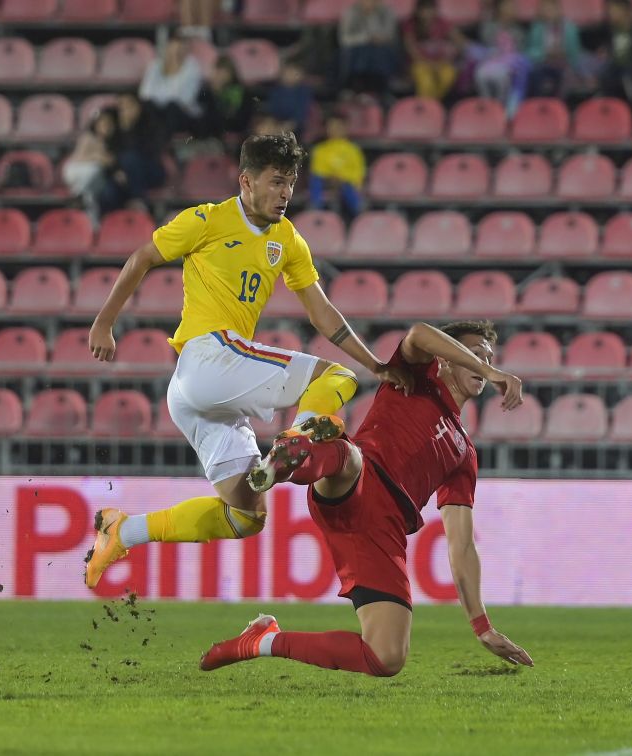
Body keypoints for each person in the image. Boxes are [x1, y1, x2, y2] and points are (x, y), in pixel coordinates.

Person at [83, 133, 413, 591]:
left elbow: (321, 312)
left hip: (197, 393)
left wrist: (376, 363)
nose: (285, 194)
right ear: (246, 181)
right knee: (335, 377)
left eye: (291, 183)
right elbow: (142, 257)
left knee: (246, 516)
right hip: (208, 356)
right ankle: (296, 440)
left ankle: (123, 531)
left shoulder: (287, 239)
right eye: (277, 182)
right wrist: (104, 324)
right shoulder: (207, 219)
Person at [199, 320, 534, 677]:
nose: (482, 361)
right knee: (350, 458)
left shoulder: (464, 453)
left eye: (487, 355)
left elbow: (462, 545)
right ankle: (296, 454)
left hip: (380, 531)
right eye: (472, 353)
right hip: (358, 479)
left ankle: (261, 640)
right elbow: (419, 333)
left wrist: (482, 626)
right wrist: (491, 368)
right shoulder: (416, 377)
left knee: (386, 657)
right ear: (447, 359)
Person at [97, 93, 166, 213]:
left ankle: (138, 200)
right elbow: (110, 156)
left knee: (130, 158)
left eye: (129, 106)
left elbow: (147, 152)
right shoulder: (115, 129)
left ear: (138, 107)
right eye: (122, 108)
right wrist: (117, 171)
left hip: (149, 171)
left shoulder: (149, 124)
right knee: (108, 193)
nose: (125, 111)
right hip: (124, 175)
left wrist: (129, 129)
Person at [525, 0, 597, 97]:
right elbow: (530, 52)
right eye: (545, 8)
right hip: (543, 64)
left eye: (551, 8)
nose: (549, 11)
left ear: (559, 9)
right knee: (536, 75)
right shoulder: (537, 28)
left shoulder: (570, 27)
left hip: (565, 64)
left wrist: (564, 54)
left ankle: (561, 107)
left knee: (568, 77)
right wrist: (545, 53)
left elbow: (575, 52)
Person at [470, 0, 530, 116]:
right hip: (492, 61)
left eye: (513, 7)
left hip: (510, 64)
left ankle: (502, 106)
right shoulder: (489, 27)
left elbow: (520, 51)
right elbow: (486, 44)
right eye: (507, 7)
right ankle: (487, 104)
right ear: (499, 10)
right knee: (480, 74)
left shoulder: (519, 31)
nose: (511, 10)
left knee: (504, 77)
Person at [139, 36, 203, 137]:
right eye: (174, 49)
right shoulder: (155, 65)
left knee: (172, 107)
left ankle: (159, 143)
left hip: (182, 114)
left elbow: (184, 99)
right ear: (168, 49)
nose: (176, 54)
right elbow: (145, 94)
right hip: (157, 113)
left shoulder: (193, 67)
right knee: (148, 106)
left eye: (180, 50)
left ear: (186, 51)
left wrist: (159, 98)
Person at [402, 0, 467, 100]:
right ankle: (426, 107)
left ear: (435, 11)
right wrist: (430, 65)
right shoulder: (410, 24)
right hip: (420, 63)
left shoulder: (442, 23)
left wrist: (451, 55)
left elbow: (460, 41)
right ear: (417, 11)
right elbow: (411, 50)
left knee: (448, 75)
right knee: (425, 81)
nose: (426, 14)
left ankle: (435, 106)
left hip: (441, 63)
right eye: (423, 10)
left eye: (429, 10)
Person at [308, 111, 366, 221]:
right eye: (331, 126)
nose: (334, 129)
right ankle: (315, 211)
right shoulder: (320, 149)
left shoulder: (353, 150)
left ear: (345, 128)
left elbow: (358, 173)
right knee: (315, 180)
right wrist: (331, 177)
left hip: (346, 184)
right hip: (326, 182)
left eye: (338, 126)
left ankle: (359, 215)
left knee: (348, 188)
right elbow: (318, 170)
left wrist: (342, 178)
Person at [338, 0, 401, 94]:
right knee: (362, 52)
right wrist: (366, 38)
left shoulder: (386, 11)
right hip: (357, 51)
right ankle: (358, 88)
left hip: (381, 50)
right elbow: (345, 39)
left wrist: (372, 17)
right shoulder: (351, 12)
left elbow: (390, 35)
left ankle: (380, 89)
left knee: (379, 52)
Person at [195, 55, 254, 140]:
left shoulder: (241, 91)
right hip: (212, 126)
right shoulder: (208, 90)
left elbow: (238, 116)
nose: (221, 76)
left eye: (224, 72)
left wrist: (217, 94)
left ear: (231, 73)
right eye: (218, 71)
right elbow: (202, 107)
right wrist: (213, 93)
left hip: (234, 125)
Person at [62, 109, 116, 200]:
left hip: (94, 179)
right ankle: (77, 195)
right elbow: (79, 158)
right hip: (75, 170)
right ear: (95, 125)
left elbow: (110, 161)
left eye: (109, 125)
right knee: (95, 168)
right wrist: (97, 157)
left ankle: (84, 205)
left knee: (90, 195)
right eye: (102, 124)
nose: (106, 127)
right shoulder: (87, 137)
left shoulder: (110, 142)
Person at [264, 62, 314, 138]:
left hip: (297, 125)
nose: (290, 75)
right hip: (278, 122)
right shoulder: (276, 91)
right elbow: (272, 110)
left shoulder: (303, 91)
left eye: (295, 72)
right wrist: (272, 123)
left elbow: (301, 113)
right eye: (288, 71)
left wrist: (287, 126)